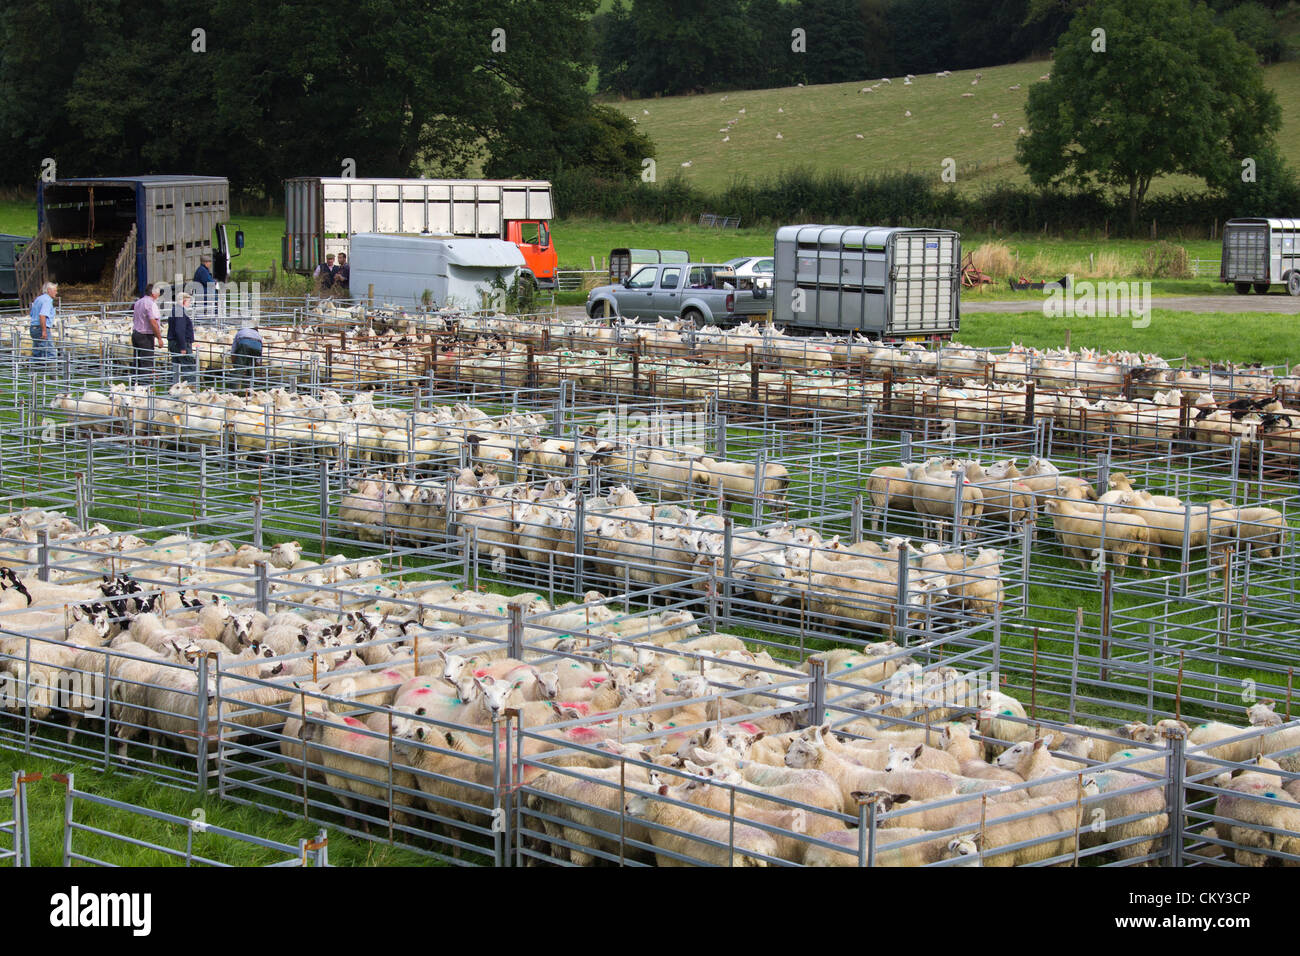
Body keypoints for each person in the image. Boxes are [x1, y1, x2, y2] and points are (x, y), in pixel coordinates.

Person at [131, 284, 165, 381]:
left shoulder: (138, 302)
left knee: (137, 360)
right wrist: (159, 338)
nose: (159, 294)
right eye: (158, 292)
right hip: (145, 336)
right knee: (147, 362)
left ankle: (135, 384)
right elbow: (153, 322)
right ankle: (145, 388)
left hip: (136, 333)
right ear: (153, 293)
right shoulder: (151, 304)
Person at [167, 291, 198, 384]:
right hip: (180, 344)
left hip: (174, 342)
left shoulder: (175, 310)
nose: (189, 304)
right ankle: (190, 390)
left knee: (176, 367)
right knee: (188, 367)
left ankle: (175, 389)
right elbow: (179, 330)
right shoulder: (180, 312)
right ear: (184, 301)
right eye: (188, 302)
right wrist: (183, 346)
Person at [29, 281, 57, 362]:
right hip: (41, 328)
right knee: (51, 353)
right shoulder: (47, 300)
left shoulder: (38, 299)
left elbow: (31, 314)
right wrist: (44, 331)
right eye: (55, 290)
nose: (56, 292)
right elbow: (42, 315)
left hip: (33, 328)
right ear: (49, 290)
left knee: (37, 352)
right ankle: (53, 374)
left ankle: (33, 372)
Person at [230, 322, 264, 387]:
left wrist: (234, 361)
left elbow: (234, 348)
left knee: (239, 367)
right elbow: (260, 348)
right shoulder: (258, 334)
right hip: (256, 347)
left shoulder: (241, 331)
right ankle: (250, 386)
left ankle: (235, 388)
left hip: (244, 344)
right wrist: (258, 361)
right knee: (251, 366)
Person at [194, 254, 217, 318]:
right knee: (207, 311)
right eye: (209, 262)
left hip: (203, 294)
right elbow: (209, 282)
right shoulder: (203, 271)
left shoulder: (202, 269)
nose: (210, 264)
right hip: (204, 294)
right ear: (205, 262)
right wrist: (214, 282)